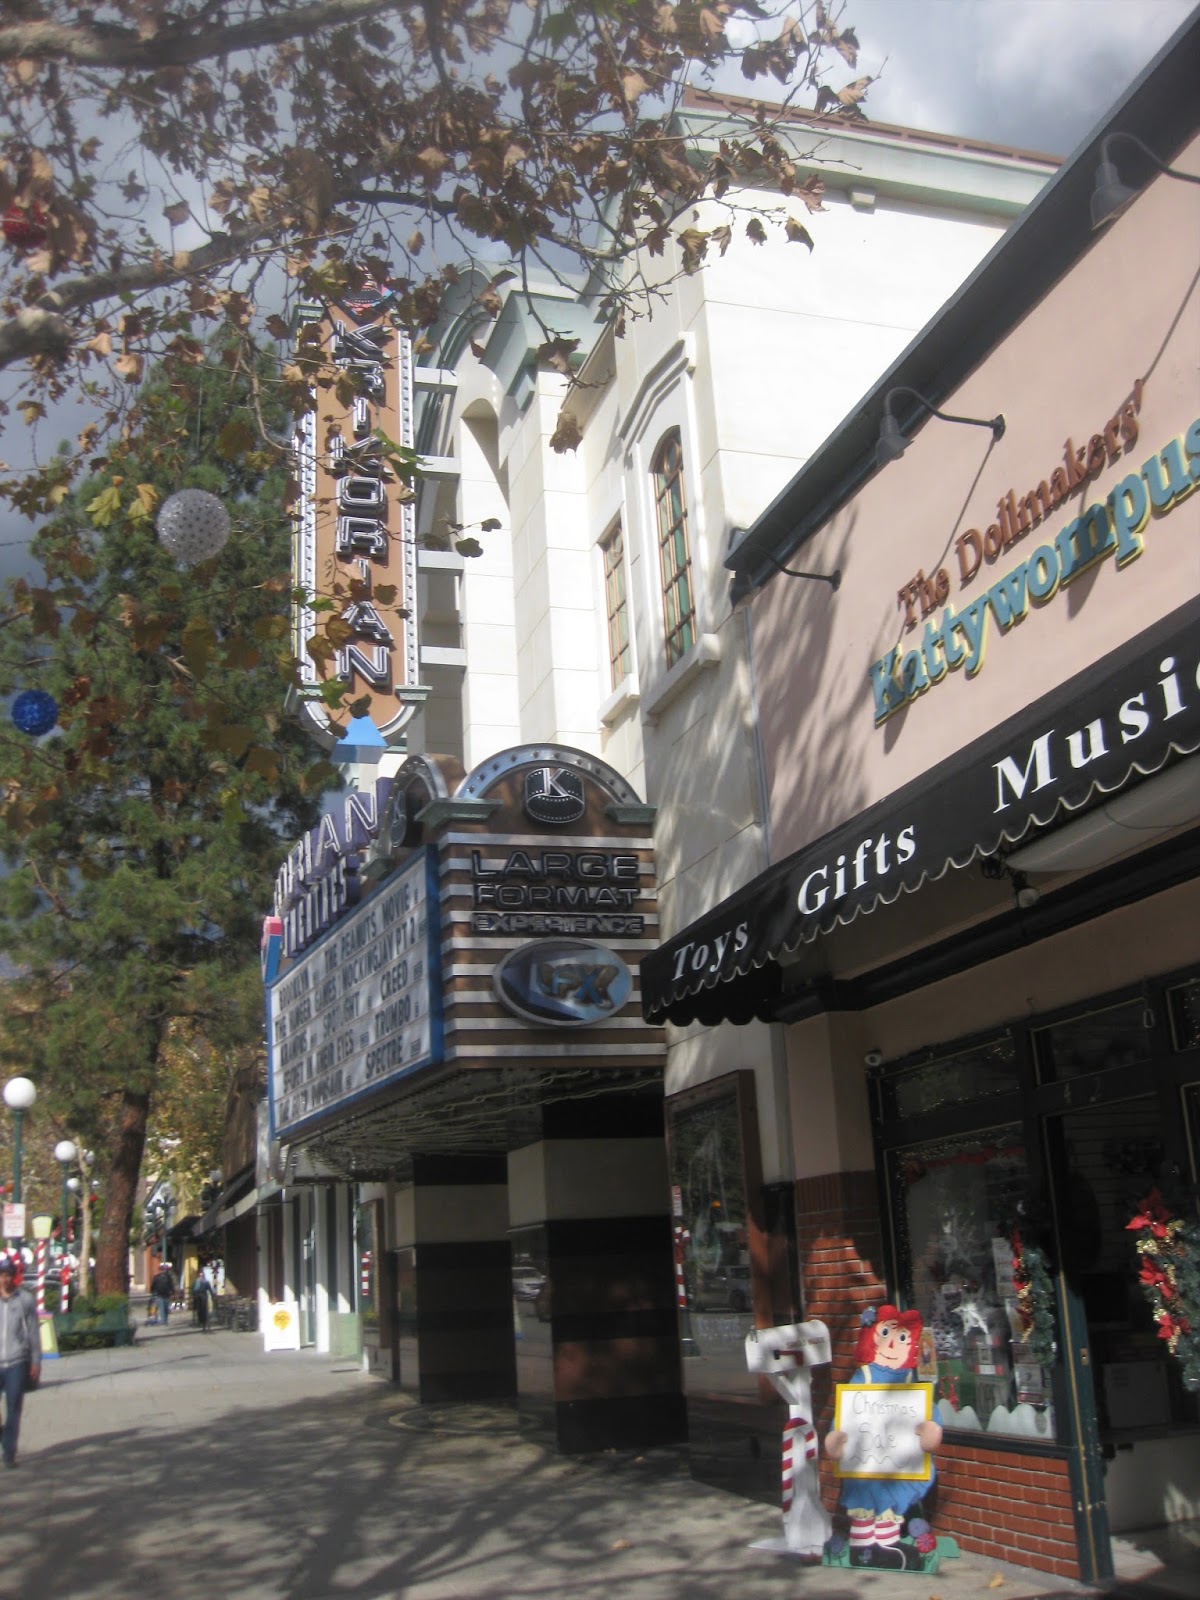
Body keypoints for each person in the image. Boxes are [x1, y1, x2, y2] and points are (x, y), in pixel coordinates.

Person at [825, 1304, 944, 1571]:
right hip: (866, 1461)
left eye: (902, 1338)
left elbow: (927, 1412)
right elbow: (846, 1413)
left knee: (891, 1500)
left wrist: (929, 1431)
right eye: (886, 1334)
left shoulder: (910, 1385)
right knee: (865, 1501)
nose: (892, 1344)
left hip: (896, 1462)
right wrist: (837, 1438)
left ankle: (886, 1544)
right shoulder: (862, 1380)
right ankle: (863, 1547)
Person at [0, 1251, 42, 1467]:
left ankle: (9, 1452)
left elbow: (33, 1332)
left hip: (16, 1361)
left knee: (13, 1408)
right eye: (1, 1275)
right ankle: (4, 1436)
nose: (4, 1279)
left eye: (8, 1275)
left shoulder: (25, 1300)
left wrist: (35, 1360)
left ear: (13, 1276)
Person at [150, 1260, 174, 1327]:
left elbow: (171, 1285)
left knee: (166, 1308)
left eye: (164, 1270)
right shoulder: (156, 1277)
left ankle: (165, 1320)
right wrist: (153, 1292)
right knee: (162, 1308)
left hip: (166, 1295)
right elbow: (153, 1285)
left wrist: (172, 1291)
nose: (163, 1271)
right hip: (159, 1295)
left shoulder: (168, 1277)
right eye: (162, 1270)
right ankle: (164, 1321)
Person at [191, 1267, 215, 1332]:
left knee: (205, 1310)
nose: (201, 1277)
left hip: (204, 1297)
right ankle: (200, 1322)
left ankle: (205, 1324)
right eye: (200, 1275)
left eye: (202, 1275)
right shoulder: (196, 1282)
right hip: (197, 1297)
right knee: (199, 1310)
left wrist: (212, 1296)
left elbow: (209, 1289)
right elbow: (192, 1290)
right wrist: (194, 1296)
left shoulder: (206, 1282)